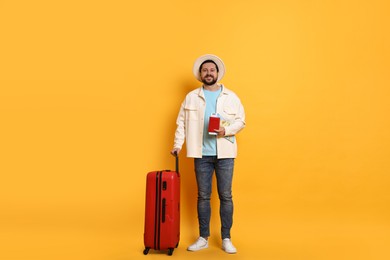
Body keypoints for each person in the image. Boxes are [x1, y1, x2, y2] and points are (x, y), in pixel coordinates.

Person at [170, 54, 246, 254]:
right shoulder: (192, 97)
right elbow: (181, 123)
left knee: (226, 196)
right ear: (200, 74)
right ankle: (203, 237)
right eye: (205, 70)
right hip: (201, 155)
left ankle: (226, 238)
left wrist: (225, 131)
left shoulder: (231, 96)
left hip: (225, 154)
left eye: (212, 70)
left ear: (217, 73)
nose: (209, 73)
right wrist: (178, 145)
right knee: (203, 196)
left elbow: (241, 121)